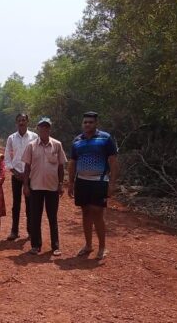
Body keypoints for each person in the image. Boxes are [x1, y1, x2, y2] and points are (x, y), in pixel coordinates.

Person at [68, 111, 119, 260]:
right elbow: (73, 163)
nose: (87, 125)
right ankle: (88, 245)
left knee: (97, 213)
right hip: (82, 181)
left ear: (96, 123)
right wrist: (71, 183)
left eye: (90, 122)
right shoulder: (77, 140)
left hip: (99, 181)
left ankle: (102, 247)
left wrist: (112, 184)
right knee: (85, 212)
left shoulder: (105, 138)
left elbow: (113, 162)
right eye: (85, 122)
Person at [22, 117, 67, 256]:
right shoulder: (31, 146)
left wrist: (61, 184)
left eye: (47, 127)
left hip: (52, 187)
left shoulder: (57, 145)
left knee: (52, 217)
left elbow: (61, 166)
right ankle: (35, 245)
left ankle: (55, 246)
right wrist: (26, 185)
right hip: (35, 187)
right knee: (35, 217)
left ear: (50, 129)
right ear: (38, 129)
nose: (44, 129)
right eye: (42, 127)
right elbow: (27, 167)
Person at [4, 113, 38, 240]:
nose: (21, 122)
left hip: (30, 176)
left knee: (30, 204)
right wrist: (14, 171)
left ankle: (31, 231)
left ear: (27, 121)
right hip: (17, 175)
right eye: (19, 120)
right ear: (16, 122)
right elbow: (7, 157)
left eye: (23, 120)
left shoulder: (34, 137)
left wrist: (29, 173)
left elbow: (37, 156)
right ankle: (14, 231)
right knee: (16, 204)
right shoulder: (11, 138)